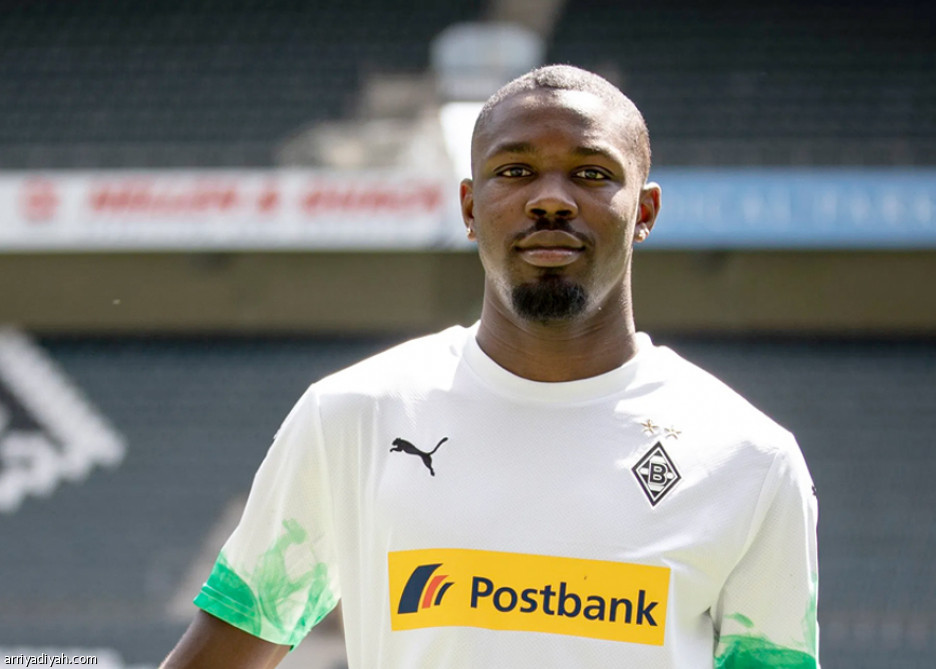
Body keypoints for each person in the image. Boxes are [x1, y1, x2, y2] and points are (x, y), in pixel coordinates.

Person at [161, 64, 819, 668]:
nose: (551, 200)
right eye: (515, 171)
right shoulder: (354, 415)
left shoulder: (749, 459)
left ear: (643, 211)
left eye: (592, 173)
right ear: (470, 208)